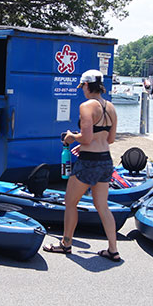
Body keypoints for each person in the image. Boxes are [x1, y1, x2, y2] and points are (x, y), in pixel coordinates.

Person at [43, 69, 121, 261]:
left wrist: (72, 138)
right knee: (103, 206)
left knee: (70, 202)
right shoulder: (110, 107)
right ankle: (113, 250)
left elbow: (85, 137)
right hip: (105, 160)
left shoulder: (86, 106)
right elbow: (109, 139)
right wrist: (85, 143)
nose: (82, 91)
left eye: (83, 87)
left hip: (88, 163)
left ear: (86, 85)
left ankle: (65, 244)